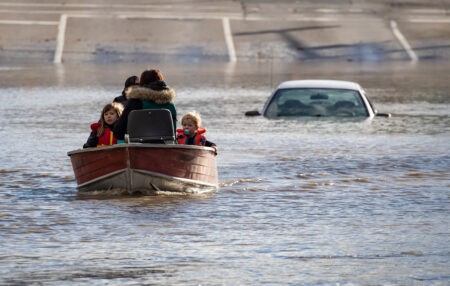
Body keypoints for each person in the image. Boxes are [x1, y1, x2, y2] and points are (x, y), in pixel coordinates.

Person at [113, 69, 177, 140]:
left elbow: (118, 133)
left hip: (140, 147)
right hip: (167, 147)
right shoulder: (171, 105)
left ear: (142, 83)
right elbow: (174, 133)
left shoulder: (136, 102)